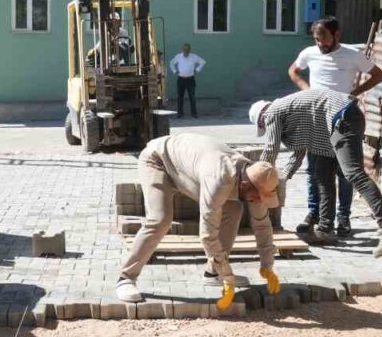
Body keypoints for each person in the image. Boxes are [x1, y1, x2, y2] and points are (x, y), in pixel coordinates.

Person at [116, 132, 283, 309]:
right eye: (258, 197)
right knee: (160, 219)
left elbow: (262, 224)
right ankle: (125, 278)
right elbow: (207, 234)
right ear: (244, 185)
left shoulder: (255, 179)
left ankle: (213, 273)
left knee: (234, 208)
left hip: (187, 166)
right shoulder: (219, 179)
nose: (259, 201)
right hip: (158, 160)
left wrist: (267, 266)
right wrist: (227, 274)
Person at [251, 91, 382, 257]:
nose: (266, 127)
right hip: (339, 120)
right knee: (322, 174)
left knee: (354, 174)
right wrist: (282, 179)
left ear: (262, 117)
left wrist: (257, 178)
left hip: (343, 118)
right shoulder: (288, 112)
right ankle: (325, 229)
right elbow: (298, 152)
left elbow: (271, 149)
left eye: (263, 126)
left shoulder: (272, 113)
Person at [288, 17, 382, 236]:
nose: (321, 44)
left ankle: (343, 217)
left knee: (346, 171)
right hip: (317, 118)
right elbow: (293, 71)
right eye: (317, 39)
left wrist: (356, 93)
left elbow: (379, 75)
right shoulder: (309, 53)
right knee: (316, 170)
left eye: (324, 39)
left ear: (337, 35)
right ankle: (316, 214)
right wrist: (307, 90)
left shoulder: (352, 55)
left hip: (345, 117)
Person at [169, 43, 206, 119]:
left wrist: (197, 70)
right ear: (182, 49)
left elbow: (203, 62)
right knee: (180, 97)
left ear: (189, 50)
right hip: (181, 79)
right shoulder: (178, 56)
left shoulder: (194, 56)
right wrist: (175, 71)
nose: (186, 50)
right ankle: (180, 114)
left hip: (190, 79)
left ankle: (194, 114)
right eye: (184, 49)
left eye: (187, 49)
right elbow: (171, 63)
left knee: (192, 97)